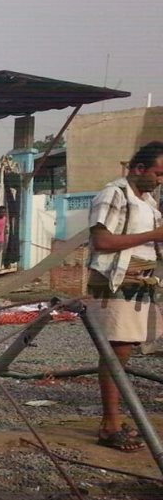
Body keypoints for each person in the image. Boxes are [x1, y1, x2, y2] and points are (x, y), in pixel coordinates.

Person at [85, 141, 163, 452]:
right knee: (115, 352)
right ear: (139, 169)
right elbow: (102, 241)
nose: (160, 179)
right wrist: (153, 236)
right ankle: (109, 424)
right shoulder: (114, 194)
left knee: (124, 351)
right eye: (157, 173)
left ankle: (113, 421)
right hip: (113, 281)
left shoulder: (149, 203)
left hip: (139, 283)